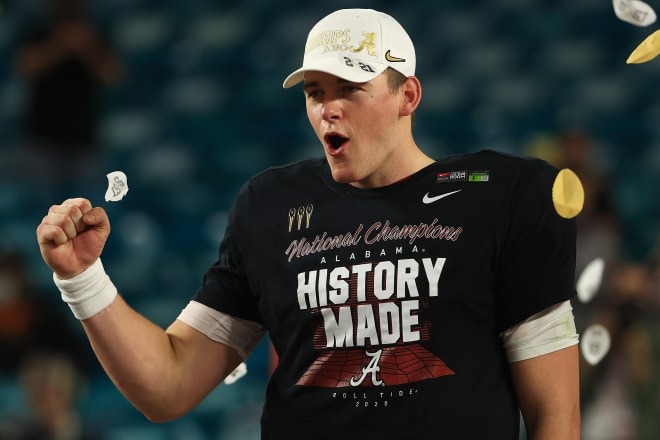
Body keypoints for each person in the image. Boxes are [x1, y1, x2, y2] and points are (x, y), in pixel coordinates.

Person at [35, 9, 581, 439]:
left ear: (406, 96)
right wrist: (82, 279)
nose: (328, 109)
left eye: (350, 88)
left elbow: (554, 414)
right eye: (315, 93)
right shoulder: (270, 207)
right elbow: (169, 387)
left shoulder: (501, 198)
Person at [14, 0, 120, 194]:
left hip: (84, 140)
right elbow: (27, 66)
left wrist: (87, 47)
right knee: (36, 207)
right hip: (41, 138)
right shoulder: (40, 30)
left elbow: (112, 76)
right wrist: (60, 44)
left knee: (86, 211)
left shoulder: (96, 33)